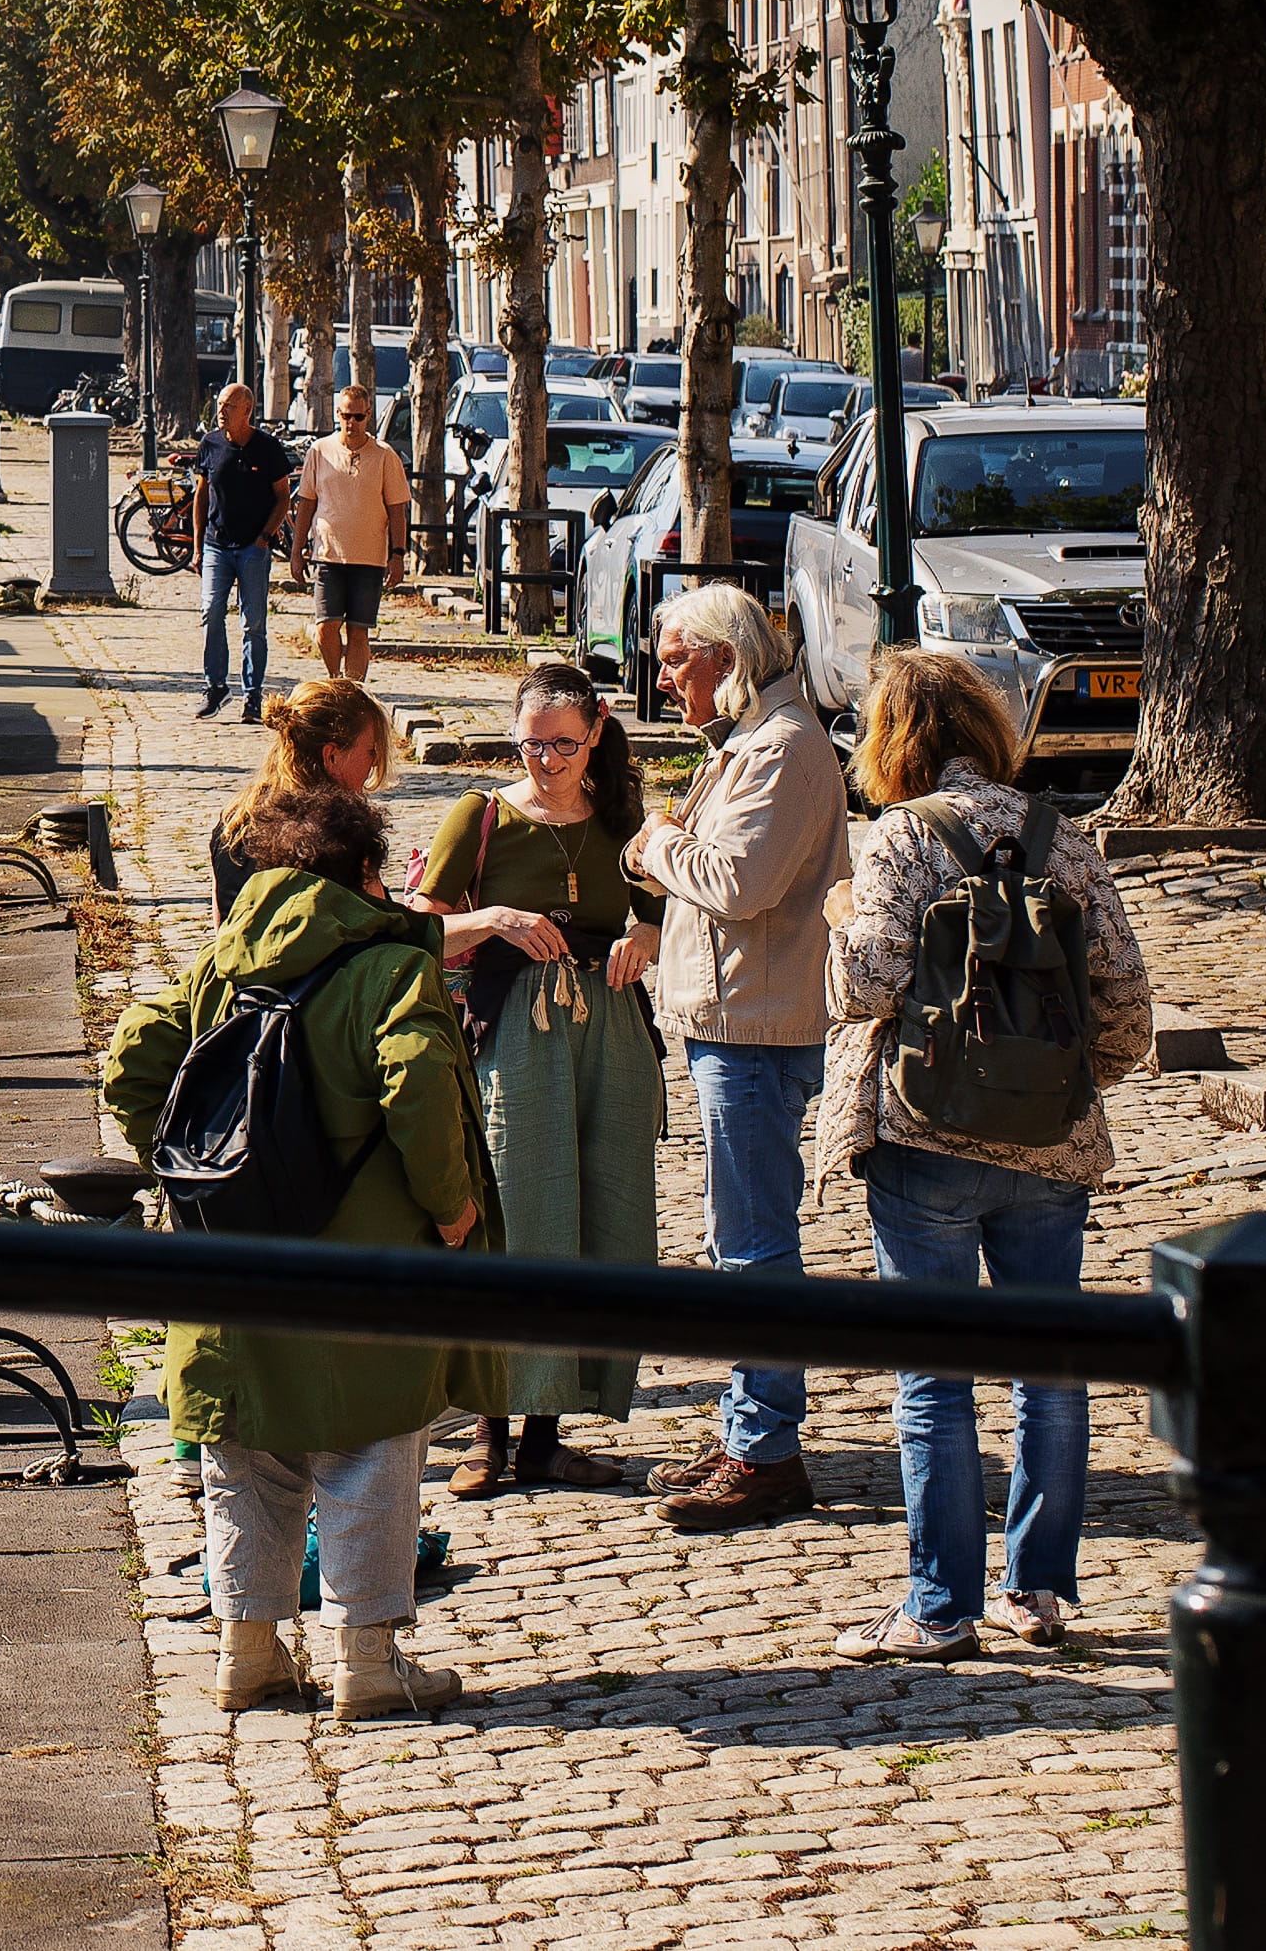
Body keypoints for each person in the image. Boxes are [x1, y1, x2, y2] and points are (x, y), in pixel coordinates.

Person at [101, 781, 483, 1720]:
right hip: (360, 1266)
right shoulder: (392, 968)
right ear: (366, 872)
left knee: (247, 1451)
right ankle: (366, 1663)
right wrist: (451, 1204)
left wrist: (196, 1167)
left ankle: (248, 1656)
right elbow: (421, 1078)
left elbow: (132, 1060)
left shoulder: (222, 961)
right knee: (372, 1449)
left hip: (231, 1253)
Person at [819, 647, 1157, 1659]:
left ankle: (937, 1608)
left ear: (891, 741)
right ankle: (1038, 1592)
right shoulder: (1064, 841)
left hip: (923, 1134)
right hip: (1047, 1145)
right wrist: (1058, 1077)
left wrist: (838, 921)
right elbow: (1127, 1006)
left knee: (934, 1378)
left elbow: (867, 988)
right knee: (1048, 1370)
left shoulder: (895, 841)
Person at [621, 580, 850, 1534]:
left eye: (677, 657)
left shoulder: (787, 746)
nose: (663, 674)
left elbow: (740, 882)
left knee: (754, 1245)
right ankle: (748, 1426)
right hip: (731, 1019)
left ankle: (767, 1452)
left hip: (757, 1026)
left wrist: (658, 844)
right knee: (735, 1239)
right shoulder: (750, 741)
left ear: (729, 655)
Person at [409, 658, 663, 1496]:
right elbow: (421, 929)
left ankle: (547, 1435)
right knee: (515, 1213)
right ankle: (488, 1428)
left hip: (609, 1029)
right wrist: (496, 918)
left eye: (561, 744)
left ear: (594, 733)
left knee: (596, 1215)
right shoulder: (480, 815)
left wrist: (646, 936)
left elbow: (655, 902)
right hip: (514, 1031)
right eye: (530, 744)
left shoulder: (622, 813)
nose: (544, 760)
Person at [204, 678, 399, 920]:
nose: (375, 762)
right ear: (332, 756)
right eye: (371, 750)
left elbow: (221, 933)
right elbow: (389, 937)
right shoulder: (344, 836)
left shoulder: (233, 821)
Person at [191, 383, 299, 720]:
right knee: (211, 612)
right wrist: (197, 545)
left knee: (253, 622)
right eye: (220, 405)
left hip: (253, 546)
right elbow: (201, 495)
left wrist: (266, 536)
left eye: (229, 406)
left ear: (247, 410)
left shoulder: (267, 448)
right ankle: (216, 686)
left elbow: (283, 496)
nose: (221, 412)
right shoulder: (210, 444)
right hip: (216, 544)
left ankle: (252, 694)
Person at [297, 384, 412, 681]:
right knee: (326, 626)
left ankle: (353, 690)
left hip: (369, 557)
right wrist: (297, 551)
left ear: (368, 416)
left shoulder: (385, 455)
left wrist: (397, 554)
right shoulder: (320, 451)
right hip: (328, 554)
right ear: (338, 413)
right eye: (347, 416)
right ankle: (336, 680)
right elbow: (307, 503)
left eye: (359, 417)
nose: (352, 423)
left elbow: (397, 509)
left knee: (358, 630)